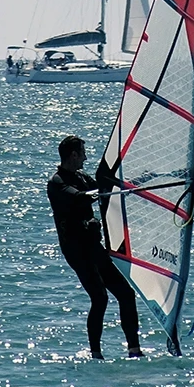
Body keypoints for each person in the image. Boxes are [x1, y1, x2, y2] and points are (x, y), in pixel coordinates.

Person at [47, 135, 143, 360]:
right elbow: (79, 198)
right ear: (73, 155)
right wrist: (97, 193)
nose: (86, 157)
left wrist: (138, 182)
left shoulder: (81, 177)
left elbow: (105, 185)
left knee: (126, 294)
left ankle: (134, 350)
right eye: (83, 153)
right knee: (99, 298)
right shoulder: (57, 182)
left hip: (92, 246)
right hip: (76, 251)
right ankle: (96, 354)